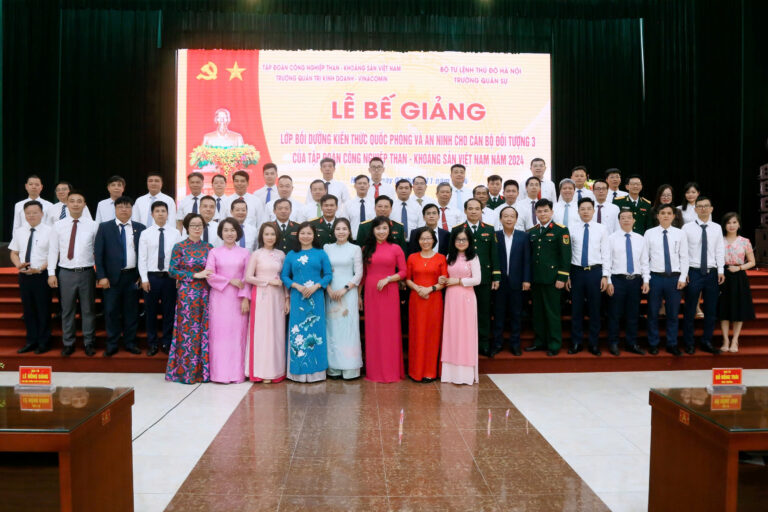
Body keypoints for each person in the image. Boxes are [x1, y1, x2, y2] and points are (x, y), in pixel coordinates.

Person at [47, 190, 98, 356]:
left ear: (84, 204)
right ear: (67, 204)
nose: (76, 204)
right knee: (67, 310)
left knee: (88, 310)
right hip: (65, 273)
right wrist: (51, 273)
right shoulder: (58, 225)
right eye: (72, 201)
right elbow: (53, 250)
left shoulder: (93, 225)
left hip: (87, 272)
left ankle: (89, 342)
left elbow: (98, 250)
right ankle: (68, 343)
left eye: (79, 201)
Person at [94, 196, 146, 356]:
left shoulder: (140, 228)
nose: (124, 209)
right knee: (111, 312)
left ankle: (130, 343)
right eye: (120, 207)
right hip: (111, 279)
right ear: (115, 209)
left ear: (132, 209)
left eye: (127, 207)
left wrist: (141, 275)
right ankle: (112, 344)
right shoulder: (105, 227)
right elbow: (98, 254)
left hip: (132, 277)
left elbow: (144, 254)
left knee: (131, 312)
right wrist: (101, 276)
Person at [281, 222, 332, 382]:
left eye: (309, 233)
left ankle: (316, 372)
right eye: (302, 233)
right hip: (298, 298)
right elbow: (284, 276)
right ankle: (298, 372)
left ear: (314, 235)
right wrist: (296, 286)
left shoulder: (321, 253)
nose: (306, 236)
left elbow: (328, 275)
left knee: (316, 331)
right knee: (298, 331)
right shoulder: (291, 254)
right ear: (298, 235)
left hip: (316, 298)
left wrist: (317, 286)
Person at [165, 213, 213, 383]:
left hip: (206, 293)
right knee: (187, 331)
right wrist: (194, 275)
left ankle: (203, 372)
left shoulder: (209, 247)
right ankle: (186, 372)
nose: (197, 228)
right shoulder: (179, 247)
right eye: (193, 225)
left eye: (200, 225)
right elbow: (172, 271)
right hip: (187, 294)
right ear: (187, 227)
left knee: (203, 330)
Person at [451, 198, 500, 357]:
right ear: (465, 211)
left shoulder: (489, 229)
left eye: (477, 209)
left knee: (483, 312)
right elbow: (452, 253)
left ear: (481, 211)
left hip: (483, 278)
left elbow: (494, 254)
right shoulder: (457, 229)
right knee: (464, 314)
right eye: (470, 208)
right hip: (462, 280)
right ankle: (464, 344)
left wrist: (496, 276)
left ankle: (483, 344)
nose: (473, 211)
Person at [205, 218, 252, 383]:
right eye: (226, 230)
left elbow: (247, 277)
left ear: (238, 232)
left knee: (238, 336)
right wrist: (229, 280)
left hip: (238, 299)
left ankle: (237, 374)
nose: (229, 233)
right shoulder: (214, 252)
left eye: (232, 230)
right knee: (219, 336)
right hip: (219, 299)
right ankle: (219, 374)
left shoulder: (245, 253)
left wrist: (245, 298)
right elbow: (209, 274)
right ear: (221, 233)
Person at [362, 216, 407, 382]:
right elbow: (363, 275)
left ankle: (391, 370)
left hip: (389, 291)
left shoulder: (396, 248)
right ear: (373, 230)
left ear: (389, 231)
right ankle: (374, 371)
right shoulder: (366, 249)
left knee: (390, 330)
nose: (381, 232)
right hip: (371, 293)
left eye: (384, 228)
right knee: (373, 330)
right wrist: (358, 295)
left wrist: (389, 279)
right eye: (378, 228)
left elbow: (404, 271)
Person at [244, 223, 289, 382]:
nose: (270, 237)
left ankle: (276, 371)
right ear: (261, 236)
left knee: (277, 333)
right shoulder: (256, 254)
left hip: (278, 296)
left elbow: (284, 278)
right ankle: (261, 372)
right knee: (262, 332)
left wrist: (287, 298)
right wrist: (268, 281)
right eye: (267, 234)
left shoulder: (281, 254)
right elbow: (248, 277)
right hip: (262, 295)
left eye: (273, 234)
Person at [565, 198, 610, 356]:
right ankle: (576, 342)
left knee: (594, 310)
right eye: (582, 209)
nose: (585, 211)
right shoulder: (571, 229)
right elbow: (568, 254)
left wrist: (605, 276)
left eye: (588, 208)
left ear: (593, 210)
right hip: (576, 272)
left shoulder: (602, 229)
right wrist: (567, 275)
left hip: (595, 272)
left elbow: (606, 253)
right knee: (576, 309)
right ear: (578, 211)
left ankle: (593, 344)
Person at [526, 199, 571, 356]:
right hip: (536, 279)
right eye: (539, 211)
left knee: (552, 313)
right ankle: (540, 342)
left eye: (545, 210)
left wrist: (562, 277)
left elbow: (565, 256)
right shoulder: (532, 231)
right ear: (536, 213)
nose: (542, 214)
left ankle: (554, 344)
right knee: (538, 313)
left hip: (553, 280)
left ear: (551, 212)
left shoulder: (560, 230)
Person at [681, 196, 724, 354]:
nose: (703, 209)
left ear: (711, 209)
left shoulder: (717, 228)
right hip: (693, 272)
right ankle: (689, 343)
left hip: (712, 273)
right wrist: (684, 272)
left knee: (711, 310)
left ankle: (707, 341)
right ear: (695, 209)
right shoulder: (687, 228)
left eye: (706, 206)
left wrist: (721, 270)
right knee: (690, 309)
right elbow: (683, 252)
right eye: (700, 206)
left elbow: (719, 250)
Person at [644, 204, 689, 356]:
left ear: (673, 216)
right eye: (662, 213)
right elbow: (645, 258)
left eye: (669, 213)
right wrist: (646, 279)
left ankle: (672, 344)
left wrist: (682, 277)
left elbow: (684, 257)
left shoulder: (680, 234)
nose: (665, 216)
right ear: (657, 216)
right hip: (655, 277)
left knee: (673, 314)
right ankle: (653, 343)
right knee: (652, 312)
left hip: (674, 278)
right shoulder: (649, 233)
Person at [8, 200, 52, 354]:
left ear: (42, 214)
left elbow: (54, 255)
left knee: (43, 309)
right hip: (24, 275)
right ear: (24, 215)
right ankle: (31, 341)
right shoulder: (19, 231)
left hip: (41, 275)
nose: (31, 215)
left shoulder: (50, 231)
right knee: (28, 310)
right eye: (28, 213)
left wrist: (39, 268)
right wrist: (18, 264)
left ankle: (44, 342)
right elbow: (14, 253)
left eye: (35, 212)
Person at [439, 228, 481, 385]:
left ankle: (465, 374)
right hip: (451, 297)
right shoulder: (449, 257)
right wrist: (443, 279)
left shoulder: (473, 257)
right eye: (458, 239)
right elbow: (447, 276)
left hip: (466, 297)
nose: (461, 242)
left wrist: (458, 281)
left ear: (469, 241)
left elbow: (477, 280)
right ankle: (450, 373)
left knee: (465, 332)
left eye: (464, 239)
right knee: (452, 331)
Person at [138, 200, 180, 356]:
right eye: (157, 211)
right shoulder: (145, 233)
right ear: (152, 214)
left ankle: (167, 342)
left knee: (169, 312)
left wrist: (178, 277)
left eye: (163, 211)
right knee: (151, 312)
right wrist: (144, 279)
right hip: (152, 277)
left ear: (168, 214)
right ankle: (153, 343)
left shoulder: (175, 233)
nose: (160, 214)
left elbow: (178, 257)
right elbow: (142, 258)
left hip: (170, 278)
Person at [405, 227, 447, 381]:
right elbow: (407, 279)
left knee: (432, 334)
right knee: (417, 334)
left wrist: (430, 289)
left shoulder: (441, 258)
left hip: (434, 300)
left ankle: (430, 372)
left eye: (428, 238)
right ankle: (415, 371)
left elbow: (444, 280)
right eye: (422, 238)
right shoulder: (412, 257)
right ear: (418, 241)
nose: (425, 241)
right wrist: (418, 289)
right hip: (416, 300)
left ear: (434, 240)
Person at [605, 210, 650, 356]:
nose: (626, 220)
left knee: (633, 314)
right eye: (623, 218)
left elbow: (644, 261)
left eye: (629, 217)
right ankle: (613, 343)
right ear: (619, 221)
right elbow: (607, 261)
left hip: (635, 281)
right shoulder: (611, 238)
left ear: (634, 220)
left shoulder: (640, 239)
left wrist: (646, 280)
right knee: (614, 314)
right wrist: (609, 281)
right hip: (617, 280)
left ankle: (632, 343)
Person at [324, 219, 364, 380]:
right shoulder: (327, 248)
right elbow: (324, 270)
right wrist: (328, 289)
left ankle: (350, 367)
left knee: (349, 328)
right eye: (338, 229)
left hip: (348, 292)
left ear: (349, 231)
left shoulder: (355, 249)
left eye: (344, 229)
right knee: (332, 328)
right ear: (334, 231)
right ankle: (333, 367)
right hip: (331, 291)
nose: (341, 232)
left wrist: (345, 289)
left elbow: (358, 273)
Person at [492, 206, 531, 356]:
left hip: (518, 282)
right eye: (506, 216)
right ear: (500, 219)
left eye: (512, 216)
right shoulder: (494, 236)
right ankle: (497, 343)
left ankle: (515, 344)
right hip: (499, 283)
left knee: (516, 314)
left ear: (516, 219)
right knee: (499, 314)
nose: (509, 219)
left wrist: (526, 279)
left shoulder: (523, 236)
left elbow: (527, 259)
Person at [719, 212, 755, 353]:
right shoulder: (719, 240)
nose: (732, 225)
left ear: (739, 224)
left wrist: (739, 268)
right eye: (728, 222)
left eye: (734, 222)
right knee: (724, 309)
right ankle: (725, 340)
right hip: (723, 275)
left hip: (739, 276)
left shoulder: (745, 241)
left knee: (738, 309)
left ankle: (735, 340)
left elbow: (752, 262)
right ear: (724, 225)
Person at [345, 174, 374, 239]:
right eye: (359, 183)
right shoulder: (348, 204)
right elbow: (345, 224)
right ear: (355, 186)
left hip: (371, 240)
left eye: (364, 183)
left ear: (368, 186)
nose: (362, 185)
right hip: (354, 239)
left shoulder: (375, 203)